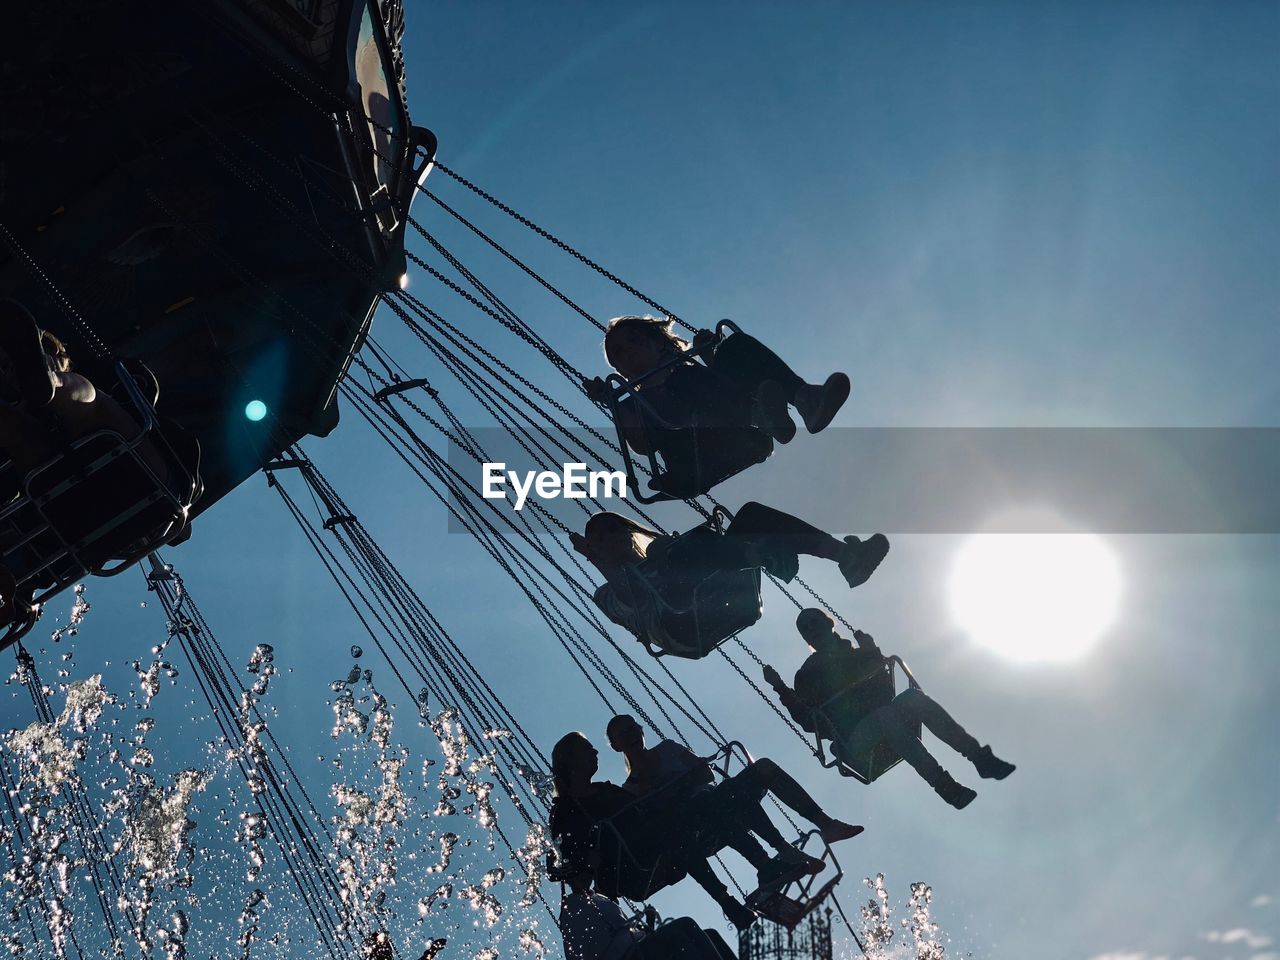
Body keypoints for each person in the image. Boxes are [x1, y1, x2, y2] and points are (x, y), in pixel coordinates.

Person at [763, 609, 1016, 809]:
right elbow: (810, 722)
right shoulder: (807, 674)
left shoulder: (857, 654)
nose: (812, 629)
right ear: (807, 640)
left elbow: (886, 688)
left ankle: (979, 757)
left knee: (913, 699)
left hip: (889, 720)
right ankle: (945, 785)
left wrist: (871, 650)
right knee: (885, 716)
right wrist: (782, 690)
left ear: (829, 623)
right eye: (806, 629)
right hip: (854, 742)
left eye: (814, 622)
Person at [582, 317, 851, 497]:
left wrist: (709, 355)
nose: (627, 350)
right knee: (683, 378)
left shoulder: (691, 373)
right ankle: (763, 415)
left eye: (634, 340)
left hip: (740, 434)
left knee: (733, 347)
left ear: (659, 343)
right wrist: (612, 402)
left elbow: (724, 388)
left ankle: (805, 400)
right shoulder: (632, 403)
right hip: (696, 457)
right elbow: (642, 445)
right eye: (617, 352)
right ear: (618, 370)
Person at [571, 504, 888, 653]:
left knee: (750, 515)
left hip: (721, 594)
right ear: (592, 550)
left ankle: (848, 559)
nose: (610, 538)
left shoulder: (659, 551)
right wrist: (598, 561)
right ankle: (761, 554)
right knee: (673, 552)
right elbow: (631, 597)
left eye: (614, 529)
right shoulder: (606, 594)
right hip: (678, 624)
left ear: (628, 532)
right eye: (598, 538)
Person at [605, 714, 852, 892]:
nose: (630, 734)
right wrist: (680, 786)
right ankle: (779, 855)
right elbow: (661, 820)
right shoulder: (632, 789)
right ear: (616, 745)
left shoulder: (668, 749)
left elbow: (706, 774)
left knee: (761, 769)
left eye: (632, 728)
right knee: (713, 798)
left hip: (719, 802)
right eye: (623, 733)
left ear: (641, 730)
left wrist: (676, 784)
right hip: (698, 829)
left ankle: (824, 824)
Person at [547, 731, 757, 929]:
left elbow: (646, 809)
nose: (595, 752)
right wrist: (586, 864)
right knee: (668, 830)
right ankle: (726, 900)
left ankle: (763, 862)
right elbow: (556, 867)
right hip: (629, 871)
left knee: (705, 802)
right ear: (571, 761)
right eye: (587, 748)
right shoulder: (566, 811)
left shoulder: (607, 790)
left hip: (657, 848)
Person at [557, 871, 738, 960]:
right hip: (627, 957)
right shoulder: (572, 907)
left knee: (711, 934)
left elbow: (627, 934)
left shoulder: (597, 898)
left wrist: (649, 923)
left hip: (637, 950)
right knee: (685, 926)